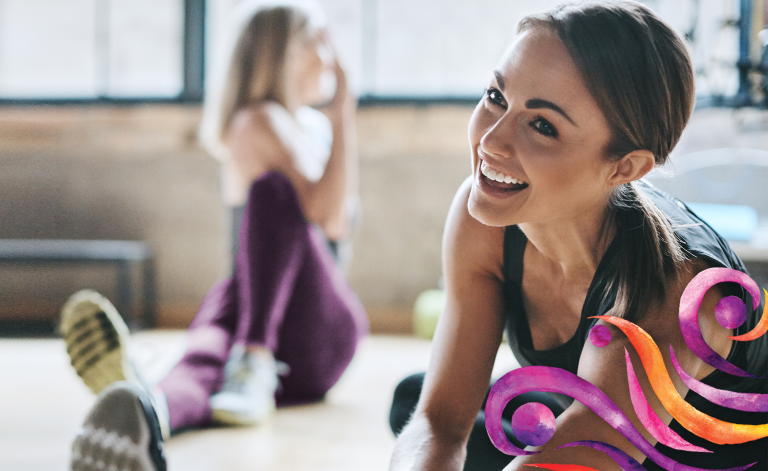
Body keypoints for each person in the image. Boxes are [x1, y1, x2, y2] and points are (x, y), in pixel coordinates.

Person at [388, 2, 768, 470]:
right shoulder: (487, 221)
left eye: (542, 126)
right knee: (414, 402)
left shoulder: (677, 294)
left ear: (625, 167)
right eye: (496, 97)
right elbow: (442, 421)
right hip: (596, 428)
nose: (491, 141)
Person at [61, 2, 367, 470]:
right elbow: (331, 216)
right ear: (285, 53)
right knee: (200, 369)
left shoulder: (306, 127)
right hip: (265, 328)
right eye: (319, 42)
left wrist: (340, 112)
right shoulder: (259, 119)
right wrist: (344, 104)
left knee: (215, 342)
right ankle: (145, 412)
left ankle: (248, 358)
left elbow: (332, 221)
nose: (330, 58)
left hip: (311, 329)